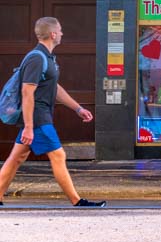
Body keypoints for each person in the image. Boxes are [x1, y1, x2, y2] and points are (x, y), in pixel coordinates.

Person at [0, 17, 105, 207]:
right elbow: (27, 92)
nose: (63, 33)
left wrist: (77, 108)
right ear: (53, 34)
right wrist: (29, 127)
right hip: (38, 118)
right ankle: (77, 201)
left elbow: (54, 88)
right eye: (61, 30)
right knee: (58, 156)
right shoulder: (36, 58)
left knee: (16, 158)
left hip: (38, 117)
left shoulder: (47, 58)